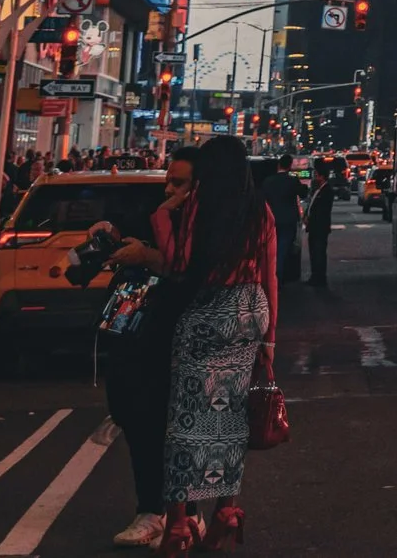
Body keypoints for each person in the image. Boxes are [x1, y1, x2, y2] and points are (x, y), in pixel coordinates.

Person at [111, 134, 277, 555]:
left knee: (187, 419)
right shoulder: (261, 210)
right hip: (250, 312)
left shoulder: (202, 208)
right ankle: (227, 509)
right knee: (229, 418)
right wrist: (270, 337)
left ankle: (180, 520)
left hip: (208, 313)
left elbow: (177, 262)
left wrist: (163, 217)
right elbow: (272, 275)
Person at [101, 150, 197, 548]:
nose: (170, 189)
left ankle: (184, 514)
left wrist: (148, 255)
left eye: (180, 183)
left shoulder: (202, 222)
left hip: (177, 337)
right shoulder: (156, 210)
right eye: (168, 181)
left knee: (178, 430)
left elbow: (187, 266)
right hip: (136, 332)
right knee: (139, 423)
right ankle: (152, 510)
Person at [257, 161, 304, 286]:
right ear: (289, 166)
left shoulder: (268, 181)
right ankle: (277, 276)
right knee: (283, 248)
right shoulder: (292, 181)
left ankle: (269, 275)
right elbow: (303, 192)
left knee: (270, 248)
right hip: (288, 219)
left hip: (270, 219)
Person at [304, 162, 343, 289]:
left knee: (319, 253)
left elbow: (322, 210)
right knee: (314, 253)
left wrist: (311, 219)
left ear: (322, 177)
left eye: (316, 175)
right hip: (314, 227)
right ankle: (315, 276)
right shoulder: (318, 190)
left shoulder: (327, 191)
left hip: (319, 227)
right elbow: (311, 205)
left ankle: (319, 277)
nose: (314, 177)